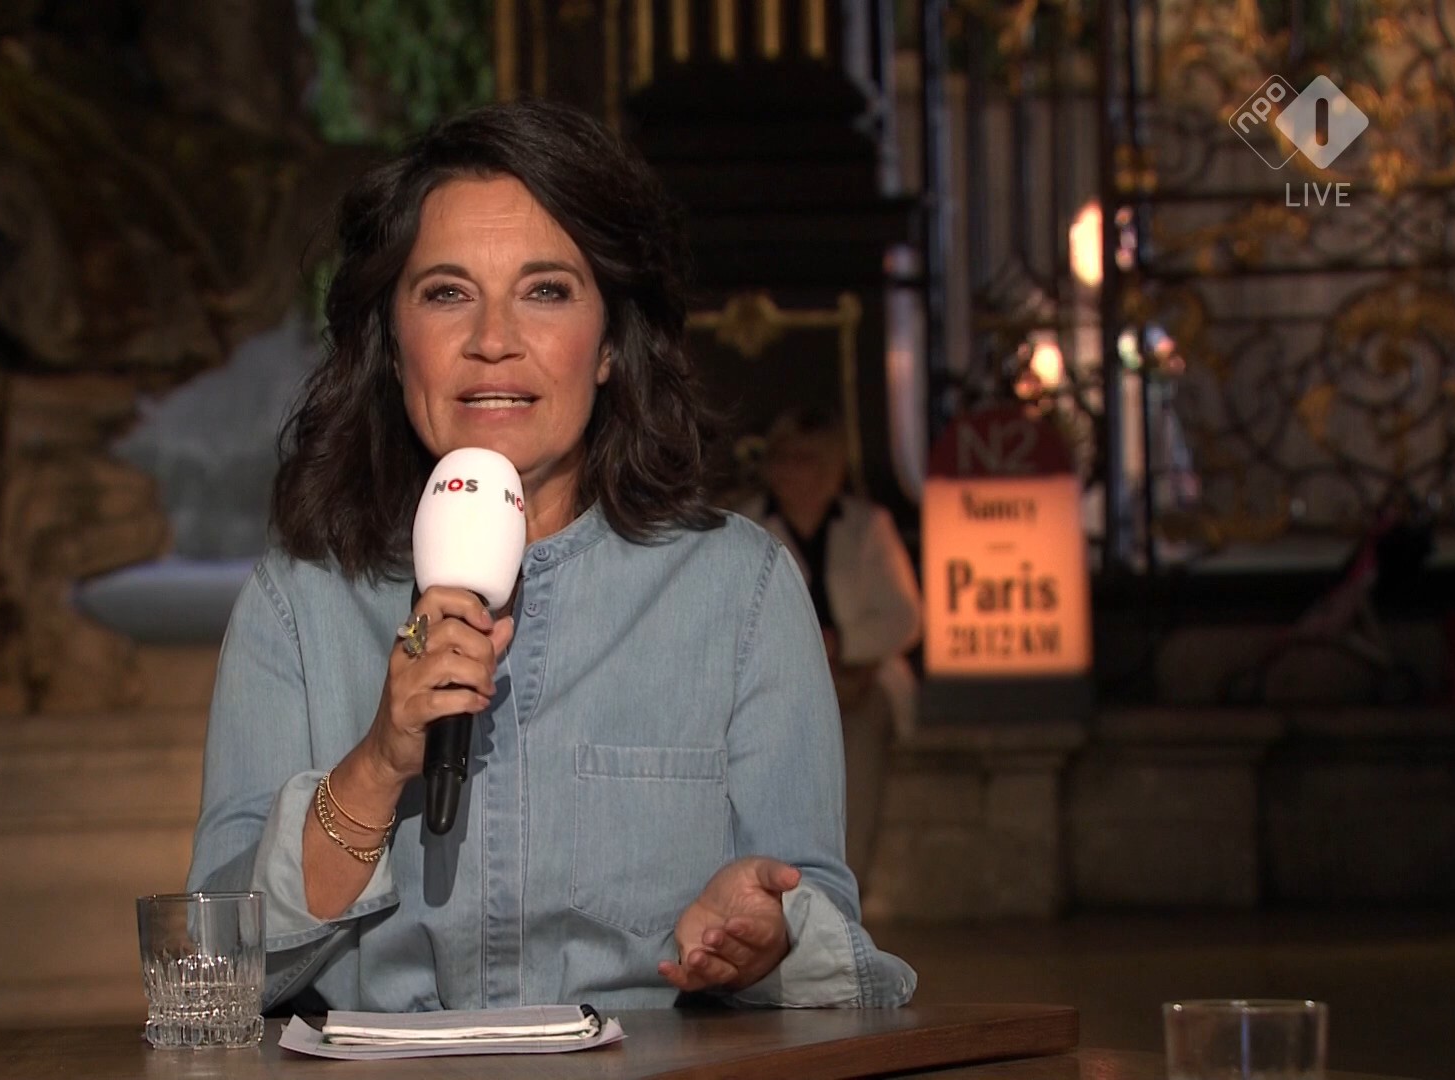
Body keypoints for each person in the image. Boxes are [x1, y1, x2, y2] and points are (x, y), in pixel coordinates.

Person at [185, 98, 917, 1013]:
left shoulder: (742, 592)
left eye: (546, 292)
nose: (494, 341)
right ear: (391, 340)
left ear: (609, 343)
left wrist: (768, 940)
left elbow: (826, 933)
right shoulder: (298, 603)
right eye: (447, 293)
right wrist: (374, 768)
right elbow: (211, 972)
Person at [738, 408, 923, 900]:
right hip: (778, 680)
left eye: (809, 460)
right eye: (786, 459)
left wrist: (841, 644)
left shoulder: (867, 526)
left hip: (862, 679)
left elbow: (904, 618)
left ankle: (841, 893)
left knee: (860, 734)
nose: (796, 472)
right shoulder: (745, 527)